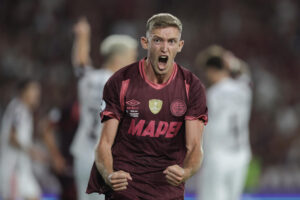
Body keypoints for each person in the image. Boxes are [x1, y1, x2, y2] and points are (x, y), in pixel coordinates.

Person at [86, 13, 208, 200]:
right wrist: (109, 175)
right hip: (126, 185)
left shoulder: (191, 86)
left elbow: (194, 146)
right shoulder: (121, 81)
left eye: (172, 41)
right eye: (158, 40)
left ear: (180, 46)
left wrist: (186, 172)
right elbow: (104, 143)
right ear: (145, 42)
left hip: (167, 188)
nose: (165, 48)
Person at [70, 17, 138, 200]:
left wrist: (82, 36)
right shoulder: (123, 87)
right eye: (132, 57)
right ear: (119, 58)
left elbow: (80, 63)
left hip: (83, 154)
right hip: (107, 159)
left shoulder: (88, 78)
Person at [196, 45, 252, 200]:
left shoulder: (212, 95)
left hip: (216, 157)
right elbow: (245, 72)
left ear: (211, 70)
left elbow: (200, 126)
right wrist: (231, 61)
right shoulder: (244, 89)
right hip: (240, 155)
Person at [0, 79, 42, 200]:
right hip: (13, 168)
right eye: (33, 89)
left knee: (35, 195)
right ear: (23, 92)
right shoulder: (17, 109)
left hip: (22, 168)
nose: (37, 93)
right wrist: (32, 151)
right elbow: (12, 137)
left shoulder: (24, 111)